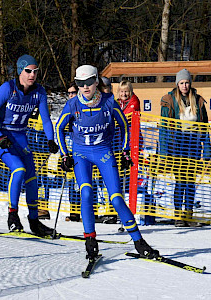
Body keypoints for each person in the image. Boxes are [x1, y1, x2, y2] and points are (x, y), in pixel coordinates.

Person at [55, 64, 159, 260]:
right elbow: (59, 128)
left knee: (116, 198)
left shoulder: (109, 102)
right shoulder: (72, 105)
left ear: (96, 82)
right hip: (81, 154)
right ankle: (90, 240)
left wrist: (126, 151)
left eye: (88, 83)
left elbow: (125, 126)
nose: (85, 87)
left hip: (103, 152)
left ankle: (139, 242)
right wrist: (65, 154)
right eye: (80, 83)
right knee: (86, 192)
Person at [0, 54, 59, 236]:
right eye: (28, 71)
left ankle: (34, 221)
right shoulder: (7, 88)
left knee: (32, 177)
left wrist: (51, 139)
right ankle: (12, 216)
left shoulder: (39, 92)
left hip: (20, 136)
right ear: (20, 71)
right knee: (19, 170)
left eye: (35, 71)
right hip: (2, 135)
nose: (32, 75)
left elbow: (46, 119)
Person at [160, 68, 210, 227]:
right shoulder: (169, 100)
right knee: (180, 181)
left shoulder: (198, 100)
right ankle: (178, 215)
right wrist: (164, 151)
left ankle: (188, 214)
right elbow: (164, 128)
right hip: (177, 145)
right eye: (182, 83)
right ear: (177, 84)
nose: (184, 86)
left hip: (193, 145)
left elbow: (204, 128)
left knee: (190, 181)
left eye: (187, 82)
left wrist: (207, 150)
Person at [65, 82, 81, 222]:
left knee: (84, 181)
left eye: (73, 93)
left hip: (82, 148)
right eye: (69, 93)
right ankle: (74, 211)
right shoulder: (68, 107)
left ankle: (89, 212)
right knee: (71, 182)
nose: (71, 95)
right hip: (70, 147)